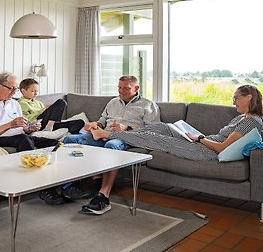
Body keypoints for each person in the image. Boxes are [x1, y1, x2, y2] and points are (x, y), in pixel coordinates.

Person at [88, 84, 263, 215]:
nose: (234, 102)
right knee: (164, 127)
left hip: (205, 152)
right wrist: (198, 136)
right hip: (203, 142)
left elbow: (222, 147)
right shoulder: (243, 117)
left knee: (157, 139)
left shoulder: (251, 121)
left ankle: (108, 134)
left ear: (248, 97)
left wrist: (200, 139)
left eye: (236, 98)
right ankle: (120, 136)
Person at [0, 72, 89, 205]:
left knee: (55, 144)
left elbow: (22, 129)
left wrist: (30, 128)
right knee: (25, 140)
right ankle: (46, 189)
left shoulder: (14, 104)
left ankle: (67, 186)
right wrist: (9, 125)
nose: (14, 92)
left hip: (21, 135)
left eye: (15, 89)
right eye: (10, 88)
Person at [63, 75, 160, 214]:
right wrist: (95, 124)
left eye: (126, 88)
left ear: (137, 88)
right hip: (101, 135)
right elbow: (103, 120)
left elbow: (154, 130)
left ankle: (103, 196)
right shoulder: (113, 102)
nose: (121, 91)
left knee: (112, 146)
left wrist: (127, 128)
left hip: (125, 138)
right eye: (119, 87)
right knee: (69, 141)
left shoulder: (148, 105)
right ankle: (69, 186)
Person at [18, 78, 85, 139]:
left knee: (80, 122)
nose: (36, 94)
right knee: (61, 102)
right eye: (33, 91)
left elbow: (46, 114)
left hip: (49, 123)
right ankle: (49, 127)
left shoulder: (38, 102)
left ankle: (66, 137)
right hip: (37, 124)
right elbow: (26, 119)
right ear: (23, 91)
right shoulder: (21, 103)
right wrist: (43, 110)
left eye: (37, 91)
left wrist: (50, 109)